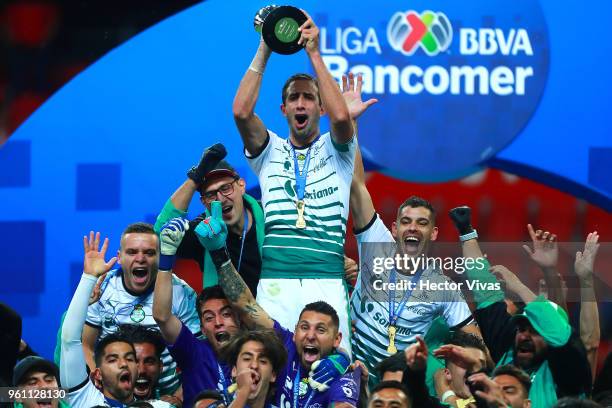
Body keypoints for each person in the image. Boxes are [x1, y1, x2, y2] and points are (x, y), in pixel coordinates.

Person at [232, 8, 356, 351]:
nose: (301, 102)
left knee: (333, 373)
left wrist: (313, 53)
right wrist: (267, 44)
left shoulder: (339, 152)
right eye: (293, 98)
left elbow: (343, 117)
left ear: (321, 108)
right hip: (276, 283)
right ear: (284, 109)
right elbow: (241, 112)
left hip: (327, 282)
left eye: (309, 97)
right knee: (273, 373)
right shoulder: (269, 151)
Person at [192, 205, 361, 407]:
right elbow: (245, 305)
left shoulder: (340, 373)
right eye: (304, 327)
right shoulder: (285, 347)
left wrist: (345, 360)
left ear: (337, 339)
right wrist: (219, 253)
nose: (310, 335)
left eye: (321, 329)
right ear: (295, 332)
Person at [460, 210, 592, 407]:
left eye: (536, 331)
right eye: (522, 329)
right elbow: (486, 293)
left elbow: (560, 332)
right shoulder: (507, 349)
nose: (524, 336)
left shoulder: (567, 369)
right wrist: (466, 232)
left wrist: (519, 286)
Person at [81, 223, 200, 400]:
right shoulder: (102, 288)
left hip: (168, 395)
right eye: (132, 252)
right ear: (119, 258)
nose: (141, 259)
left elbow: (199, 354)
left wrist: (178, 398)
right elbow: (86, 345)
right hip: (114, 395)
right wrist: (102, 391)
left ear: (160, 258)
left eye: (149, 253)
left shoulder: (180, 292)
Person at [60, 231, 171, 408]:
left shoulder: (160, 407)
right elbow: (69, 340)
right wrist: (88, 278)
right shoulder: (85, 399)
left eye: (130, 358)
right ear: (98, 374)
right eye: (112, 359)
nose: (123, 365)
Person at [154, 144, 265, 296]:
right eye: (211, 195)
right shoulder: (202, 231)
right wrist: (195, 178)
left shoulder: (271, 215)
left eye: (226, 188)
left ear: (242, 185)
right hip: (222, 318)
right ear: (204, 202)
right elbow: (162, 232)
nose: (220, 199)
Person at [153, 218, 240, 408]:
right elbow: (162, 316)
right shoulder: (194, 352)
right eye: (209, 317)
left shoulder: (254, 354)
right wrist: (166, 257)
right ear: (201, 327)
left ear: (240, 319)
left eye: (226, 314)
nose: (218, 322)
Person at [221, 330, 287, 408]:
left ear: (273, 375)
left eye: (263, 361)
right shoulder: (213, 400)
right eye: (247, 358)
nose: (254, 365)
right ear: (234, 370)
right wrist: (243, 393)